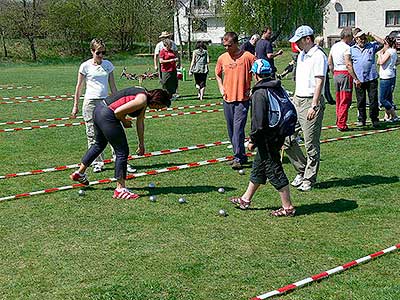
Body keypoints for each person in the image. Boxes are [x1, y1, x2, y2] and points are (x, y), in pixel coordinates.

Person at [70, 87, 171, 199]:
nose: (158, 110)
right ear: (157, 101)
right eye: (160, 107)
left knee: (99, 144)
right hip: (107, 114)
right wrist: (124, 121)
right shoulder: (141, 99)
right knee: (122, 151)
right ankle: (120, 188)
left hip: (98, 110)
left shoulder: (143, 96)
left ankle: (80, 173)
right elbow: (118, 112)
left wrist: (141, 144)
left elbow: (140, 122)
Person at [230, 59, 295, 217]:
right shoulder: (277, 87)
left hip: (267, 137)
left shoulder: (259, 93)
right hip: (279, 133)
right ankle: (245, 199)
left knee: (274, 169)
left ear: (255, 75)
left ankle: (288, 207)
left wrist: (253, 140)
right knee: (259, 168)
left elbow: (258, 123)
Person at [284, 25, 327, 192]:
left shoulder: (318, 56)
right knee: (286, 139)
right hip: (297, 100)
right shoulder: (301, 55)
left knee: (310, 144)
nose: (297, 45)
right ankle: (302, 170)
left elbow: (319, 82)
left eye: (299, 41)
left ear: (307, 39)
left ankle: (309, 178)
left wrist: (314, 105)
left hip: (311, 102)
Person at [71, 38, 117, 173]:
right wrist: (75, 106)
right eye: (98, 53)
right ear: (92, 51)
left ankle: (118, 159)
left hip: (105, 102)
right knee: (92, 134)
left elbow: (113, 86)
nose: (101, 56)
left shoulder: (108, 65)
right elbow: (79, 87)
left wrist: (118, 102)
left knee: (112, 131)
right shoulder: (85, 66)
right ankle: (97, 162)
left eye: (103, 52)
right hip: (90, 102)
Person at [215, 32, 256, 170]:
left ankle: (238, 157)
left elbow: (258, 72)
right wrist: (221, 88)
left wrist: (253, 89)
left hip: (242, 100)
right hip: (227, 99)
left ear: (236, 43)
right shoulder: (222, 58)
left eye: (229, 45)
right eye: (225, 46)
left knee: (238, 129)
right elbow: (217, 74)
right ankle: (240, 155)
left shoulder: (248, 57)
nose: (227, 48)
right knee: (231, 130)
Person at [328, 27, 361, 131]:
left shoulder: (334, 46)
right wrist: (355, 78)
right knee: (345, 100)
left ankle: (339, 121)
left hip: (336, 74)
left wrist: (333, 71)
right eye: (351, 37)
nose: (352, 39)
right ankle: (342, 124)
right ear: (347, 36)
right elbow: (348, 64)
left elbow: (330, 61)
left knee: (338, 99)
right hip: (345, 74)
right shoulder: (347, 48)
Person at [350, 30, 384, 127]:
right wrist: (355, 79)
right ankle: (361, 119)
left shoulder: (372, 46)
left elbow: (383, 43)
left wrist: (372, 34)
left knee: (373, 100)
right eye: (360, 38)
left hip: (371, 78)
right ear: (356, 39)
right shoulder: (352, 49)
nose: (363, 39)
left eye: (364, 37)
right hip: (359, 79)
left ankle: (374, 119)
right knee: (361, 101)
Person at [377, 36, 399, 122]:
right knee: (388, 98)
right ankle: (387, 116)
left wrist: (379, 54)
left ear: (387, 43)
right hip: (391, 76)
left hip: (386, 77)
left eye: (384, 43)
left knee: (382, 99)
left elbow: (380, 62)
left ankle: (394, 115)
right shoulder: (394, 51)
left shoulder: (389, 51)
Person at [315, 36, 335, 105]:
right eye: (322, 41)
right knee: (325, 85)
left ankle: (329, 99)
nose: (323, 43)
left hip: (324, 70)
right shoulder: (318, 50)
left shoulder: (320, 49)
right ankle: (329, 100)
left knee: (326, 85)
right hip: (322, 71)